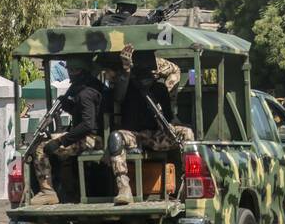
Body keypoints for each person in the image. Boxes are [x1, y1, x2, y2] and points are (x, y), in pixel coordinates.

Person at [105, 44, 194, 205]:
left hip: (154, 135)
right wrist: (126, 71)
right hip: (134, 135)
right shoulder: (128, 86)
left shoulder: (159, 89)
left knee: (186, 133)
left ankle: (187, 183)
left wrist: (170, 123)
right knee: (116, 138)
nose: (152, 74)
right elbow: (118, 96)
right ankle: (124, 188)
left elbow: (167, 116)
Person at [31, 56, 104, 206]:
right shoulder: (91, 88)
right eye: (69, 70)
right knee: (61, 155)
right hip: (92, 136)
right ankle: (70, 193)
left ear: (82, 72)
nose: (70, 74)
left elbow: (87, 125)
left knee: (42, 148)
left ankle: (47, 192)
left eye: (74, 70)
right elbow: (84, 115)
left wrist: (60, 141)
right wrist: (67, 105)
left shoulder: (85, 93)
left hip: (92, 138)